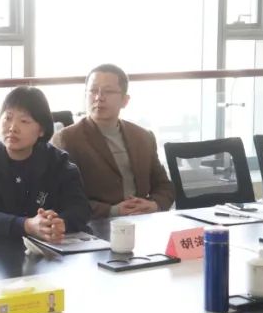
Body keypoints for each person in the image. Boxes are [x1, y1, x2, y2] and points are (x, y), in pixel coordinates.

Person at [0, 86, 91, 241]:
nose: (12, 128)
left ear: (41, 130)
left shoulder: (58, 162)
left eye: (24, 121)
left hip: (46, 247)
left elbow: (80, 209)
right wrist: (28, 225)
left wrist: (59, 223)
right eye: (7, 118)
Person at [51, 64, 174, 218]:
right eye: (93, 91)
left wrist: (154, 205)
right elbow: (61, 198)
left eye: (108, 91)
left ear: (125, 100)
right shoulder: (66, 139)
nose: (99, 97)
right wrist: (113, 211)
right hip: (95, 224)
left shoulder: (143, 137)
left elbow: (165, 186)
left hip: (142, 221)